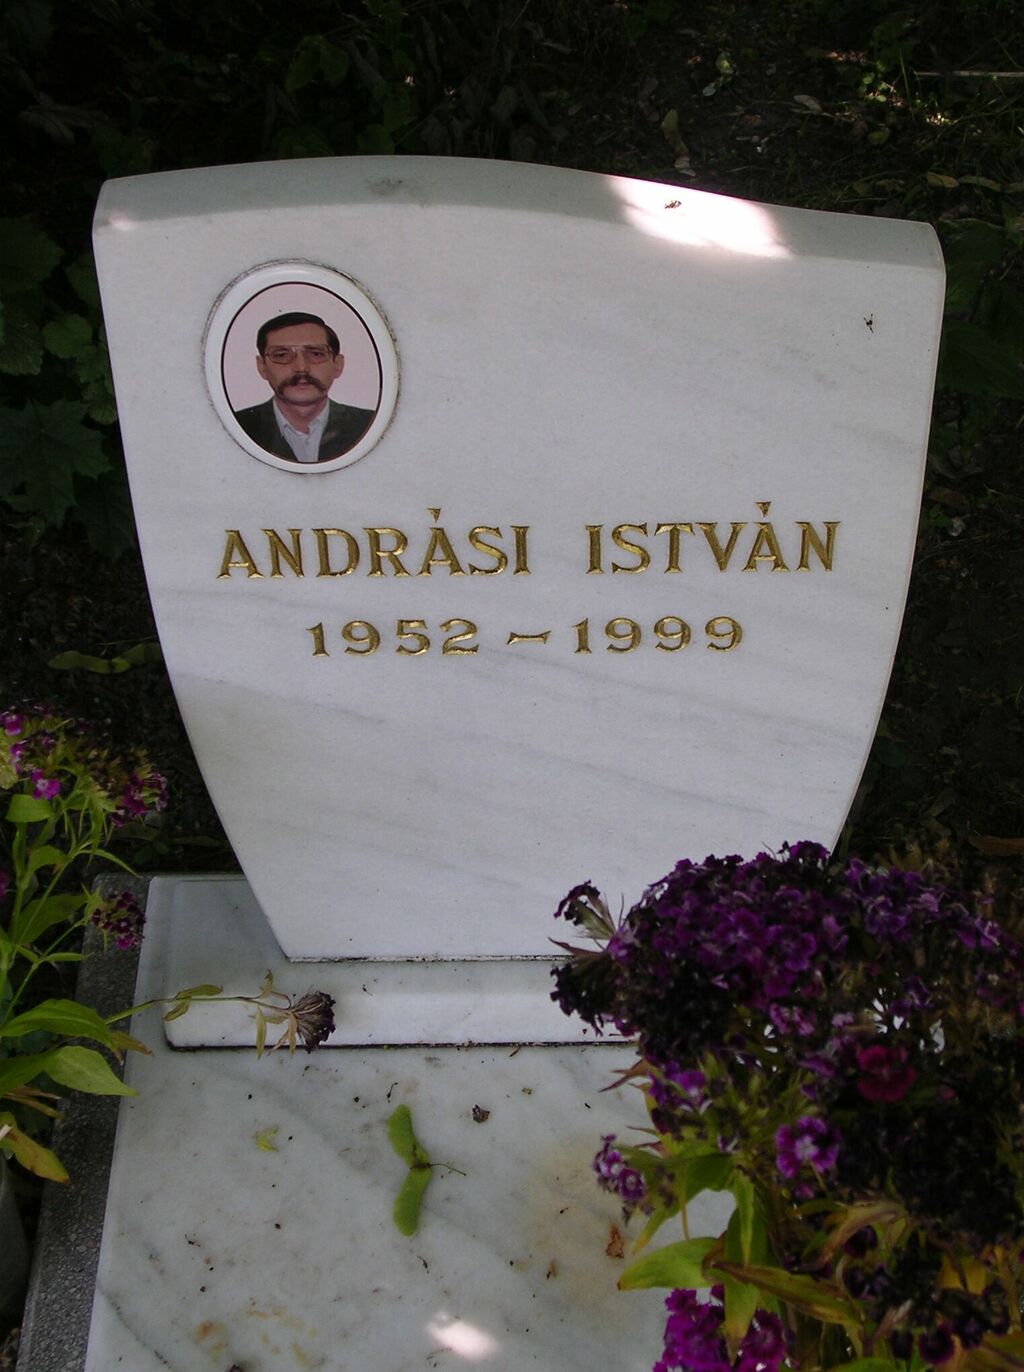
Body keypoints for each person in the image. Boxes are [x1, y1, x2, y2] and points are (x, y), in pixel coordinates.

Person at [232, 311, 375, 463]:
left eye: (316, 354)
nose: (301, 368)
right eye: (281, 355)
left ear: (337, 365)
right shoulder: (235, 428)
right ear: (262, 366)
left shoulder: (370, 426)